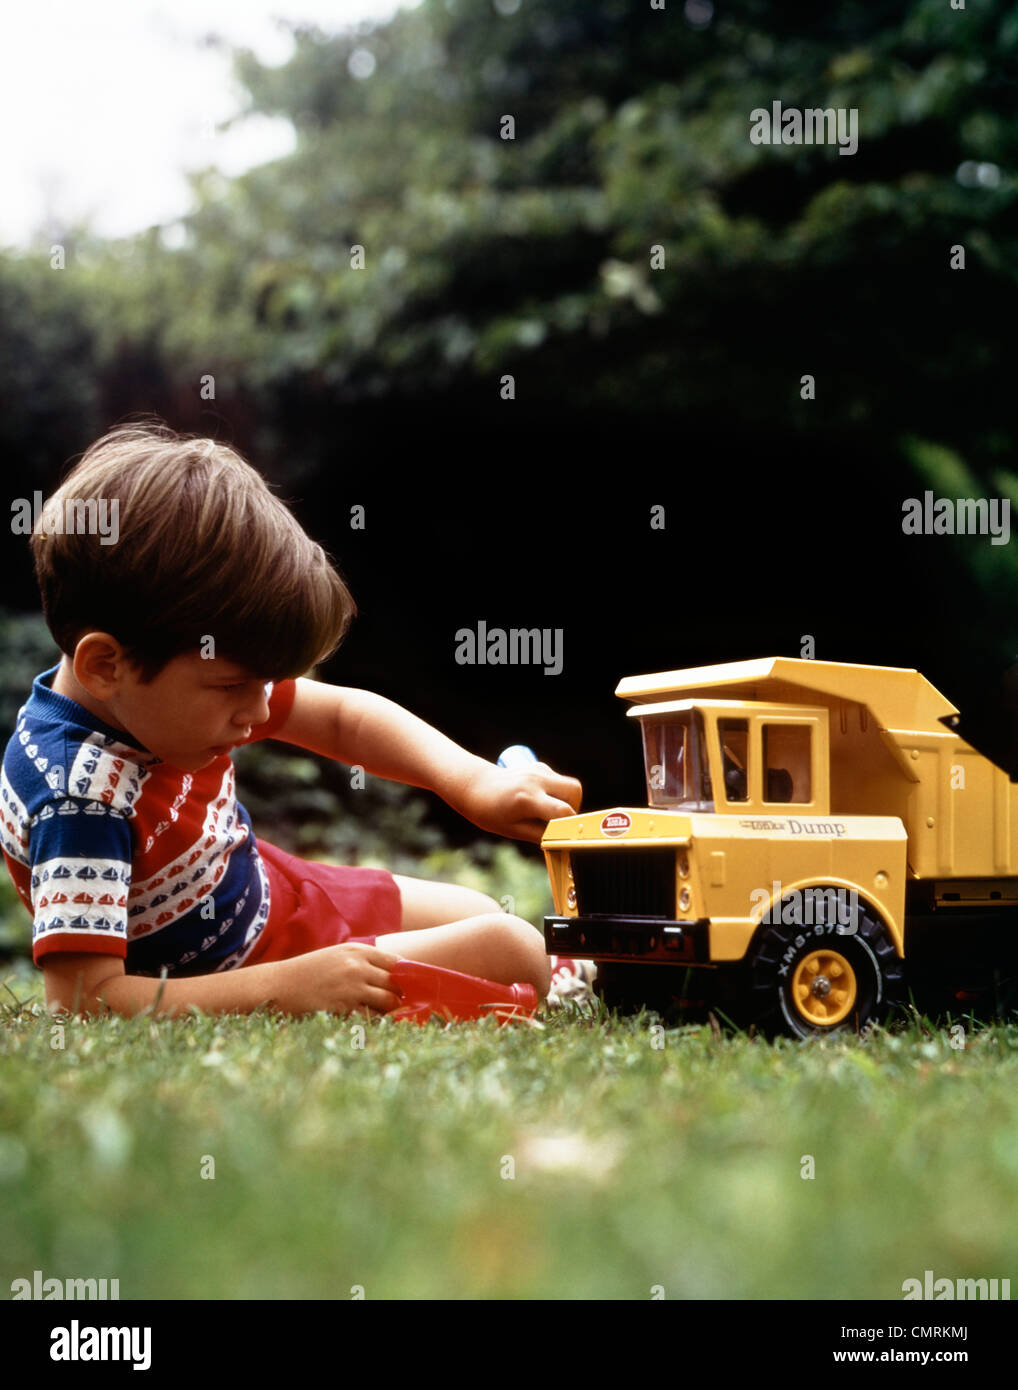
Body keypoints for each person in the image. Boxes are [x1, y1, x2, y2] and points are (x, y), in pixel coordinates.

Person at [2, 421, 583, 1020]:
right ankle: (561, 979)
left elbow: (342, 719)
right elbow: (83, 1000)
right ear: (105, 664)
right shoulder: (79, 798)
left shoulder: (146, 690)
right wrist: (288, 990)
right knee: (513, 947)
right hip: (248, 972)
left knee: (481, 910)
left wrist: (472, 780)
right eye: (234, 686)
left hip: (283, 896)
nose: (260, 711)